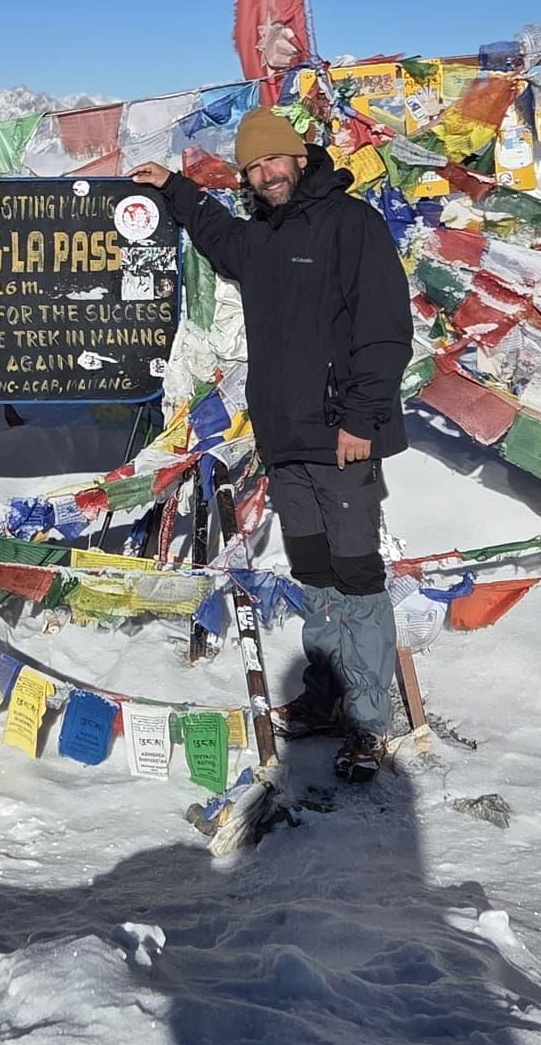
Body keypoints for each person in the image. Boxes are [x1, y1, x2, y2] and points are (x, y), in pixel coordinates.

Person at [131, 107, 413, 782]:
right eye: (253, 168)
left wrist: (361, 421)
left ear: (298, 155)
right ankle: (325, 699)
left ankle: (372, 723)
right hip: (286, 443)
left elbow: (383, 331)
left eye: (272, 161)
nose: (265, 174)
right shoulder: (258, 241)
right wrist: (174, 187)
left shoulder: (352, 227)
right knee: (314, 574)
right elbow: (213, 231)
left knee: (357, 576)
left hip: (343, 438)